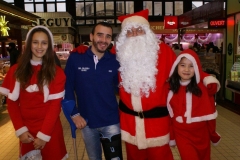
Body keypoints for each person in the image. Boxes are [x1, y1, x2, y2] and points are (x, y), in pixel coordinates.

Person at [115, 9, 220, 160]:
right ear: (124, 35)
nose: (135, 34)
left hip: (157, 124)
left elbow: (184, 70)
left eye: (139, 30)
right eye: (130, 31)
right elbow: (99, 57)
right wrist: (82, 51)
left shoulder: (164, 51)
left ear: (147, 32)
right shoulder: (119, 54)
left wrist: (205, 77)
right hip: (130, 123)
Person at [0, 26, 68, 160]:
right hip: (27, 130)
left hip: (51, 129)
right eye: (35, 42)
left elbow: (55, 106)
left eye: (44, 42)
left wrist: (44, 135)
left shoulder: (56, 72)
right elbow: (12, 103)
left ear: (49, 46)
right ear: (29, 43)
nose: (39, 46)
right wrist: (21, 130)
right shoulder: (16, 71)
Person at [64, 22, 123, 160]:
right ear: (91, 36)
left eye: (108, 36)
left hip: (111, 121)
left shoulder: (115, 61)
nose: (103, 40)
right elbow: (67, 87)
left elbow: (121, 88)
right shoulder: (76, 58)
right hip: (87, 122)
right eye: (99, 35)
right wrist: (74, 114)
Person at [167, 49, 221, 160]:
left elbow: (210, 117)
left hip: (202, 136)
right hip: (182, 135)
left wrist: (213, 134)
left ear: (196, 68)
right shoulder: (171, 88)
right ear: (176, 66)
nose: (186, 69)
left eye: (191, 66)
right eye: (183, 65)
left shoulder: (202, 89)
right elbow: (170, 117)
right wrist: (172, 137)